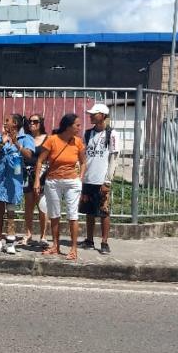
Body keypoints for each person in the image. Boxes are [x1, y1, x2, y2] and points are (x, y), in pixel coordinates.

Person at [34, 113, 87, 260]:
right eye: (77, 125)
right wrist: (37, 180)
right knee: (54, 214)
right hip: (53, 181)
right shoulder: (52, 140)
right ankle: (55, 246)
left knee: (72, 215)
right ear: (68, 126)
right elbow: (40, 161)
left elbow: (83, 162)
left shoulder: (78, 142)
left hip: (72, 182)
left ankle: (73, 249)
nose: (79, 128)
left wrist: (80, 178)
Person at [0, 114, 35, 254]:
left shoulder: (26, 138)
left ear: (15, 123)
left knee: (11, 212)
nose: (4, 123)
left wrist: (16, 144)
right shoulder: (0, 136)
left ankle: (10, 242)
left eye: (7, 121)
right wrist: (1, 143)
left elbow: (29, 155)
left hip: (14, 180)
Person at [81, 103, 120, 254]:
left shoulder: (112, 134)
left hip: (101, 180)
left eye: (94, 114)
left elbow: (114, 158)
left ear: (103, 116)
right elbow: (83, 155)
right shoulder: (87, 134)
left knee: (104, 211)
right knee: (89, 211)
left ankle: (104, 242)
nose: (91, 116)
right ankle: (89, 240)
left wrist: (107, 181)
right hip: (88, 179)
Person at [21, 113, 49, 247]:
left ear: (41, 123)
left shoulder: (47, 138)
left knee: (42, 205)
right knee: (29, 205)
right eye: (30, 121)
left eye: (35, 121)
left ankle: (43, 236)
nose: (32, 123)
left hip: (42, 174)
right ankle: (29, 234)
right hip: (27, 173)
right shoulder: (26, 138)